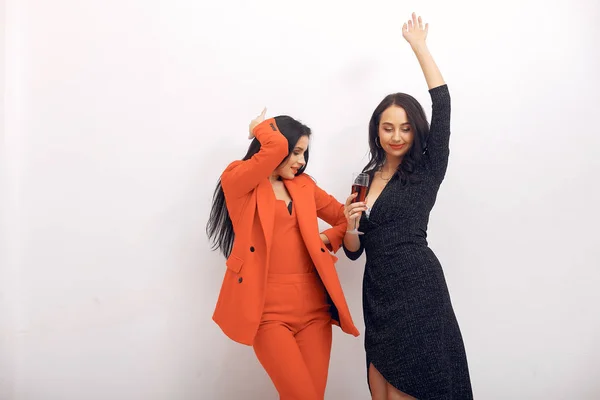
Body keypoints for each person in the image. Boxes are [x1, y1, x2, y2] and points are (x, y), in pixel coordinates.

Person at [342, 13, 473, 400]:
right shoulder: (364, 177)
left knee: (409, 390)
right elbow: (354, 253)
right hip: (378, 293)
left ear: (415, 130)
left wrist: (420, 47)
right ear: (376, 131)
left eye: (405, 127)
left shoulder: (427, 170)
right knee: (380, 390)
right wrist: (351, 226)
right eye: (387, 127)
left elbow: (443, 106)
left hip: (418, 290)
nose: (396, 136)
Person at [206, 109, 359, 400]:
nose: (302, 162)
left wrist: (324, 239)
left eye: (305, 154)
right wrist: (259, 127)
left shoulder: (304, 186)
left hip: (315, 311)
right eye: (297, 151)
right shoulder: (239, 181)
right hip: (268, 313)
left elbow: (344, 218)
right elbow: (274, 147)